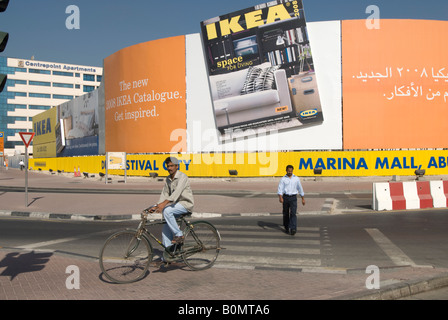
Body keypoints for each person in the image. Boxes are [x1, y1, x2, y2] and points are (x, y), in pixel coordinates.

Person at [150, 156, 194, 249]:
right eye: (168, 166)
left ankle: (179, 235)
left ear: (177, 166)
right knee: (165, 228)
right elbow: (165, 193)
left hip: (185, 204)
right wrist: (156, 206)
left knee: (167, 210)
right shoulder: (168, 179)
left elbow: (177, 192)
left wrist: (164, 204)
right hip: (176, 205)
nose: (169, 168)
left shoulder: (182, 177)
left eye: (171, 166)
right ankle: (168, 254)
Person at [277, 164, 305, 235]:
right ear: (286, 171)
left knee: (293, 213)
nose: (290, 172)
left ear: (292, 171)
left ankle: (293, 228)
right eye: (288, 171)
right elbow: (280, 189)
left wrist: (303, 198)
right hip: (285, 198)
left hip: (293, 198)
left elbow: (300, 188)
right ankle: (286, 227)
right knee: (286, 213)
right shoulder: (283, 179)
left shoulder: (296, 179)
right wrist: (280, 197)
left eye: (291, 171)